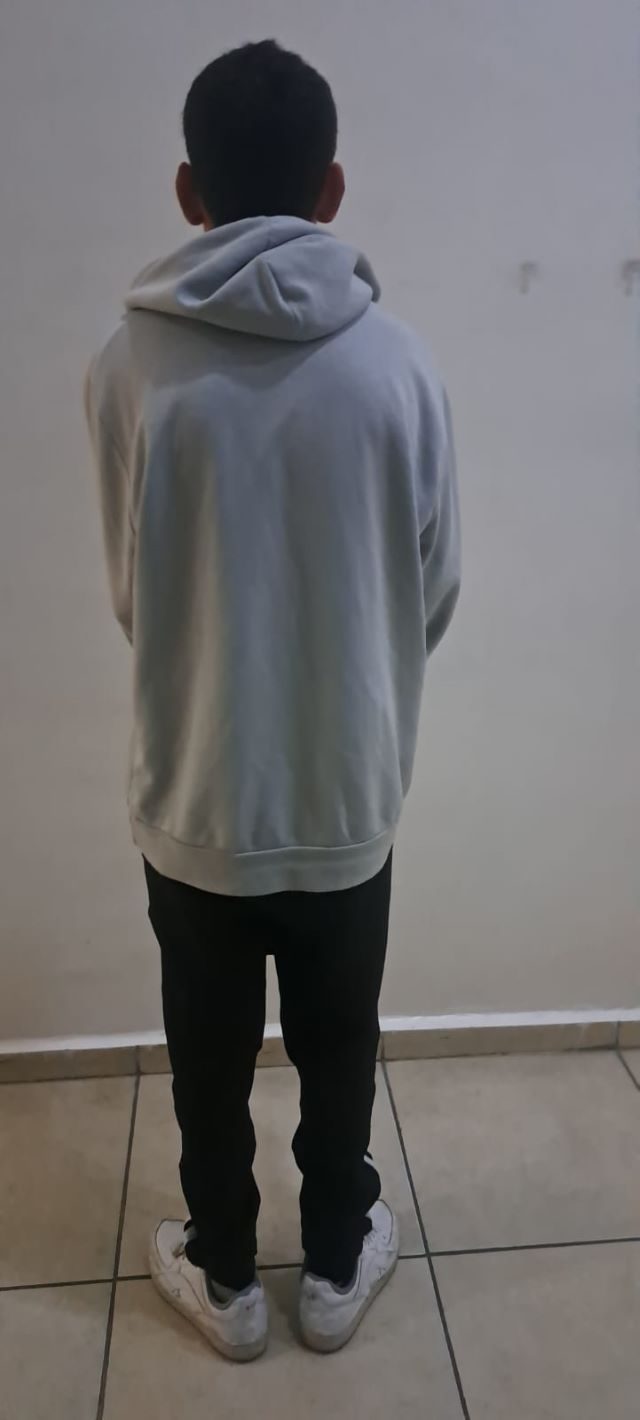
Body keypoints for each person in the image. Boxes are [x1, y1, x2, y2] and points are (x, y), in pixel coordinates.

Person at [85, 38, 460, 1362]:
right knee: (341, 1045)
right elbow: (433, 587)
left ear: (189, 190)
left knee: (205, 1052)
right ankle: (339, 1262)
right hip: (345, 788)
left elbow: (133, 586)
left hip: (195, 789)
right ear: (332, 186)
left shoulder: (127, 366)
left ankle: (230, 1278)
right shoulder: (400, 365)